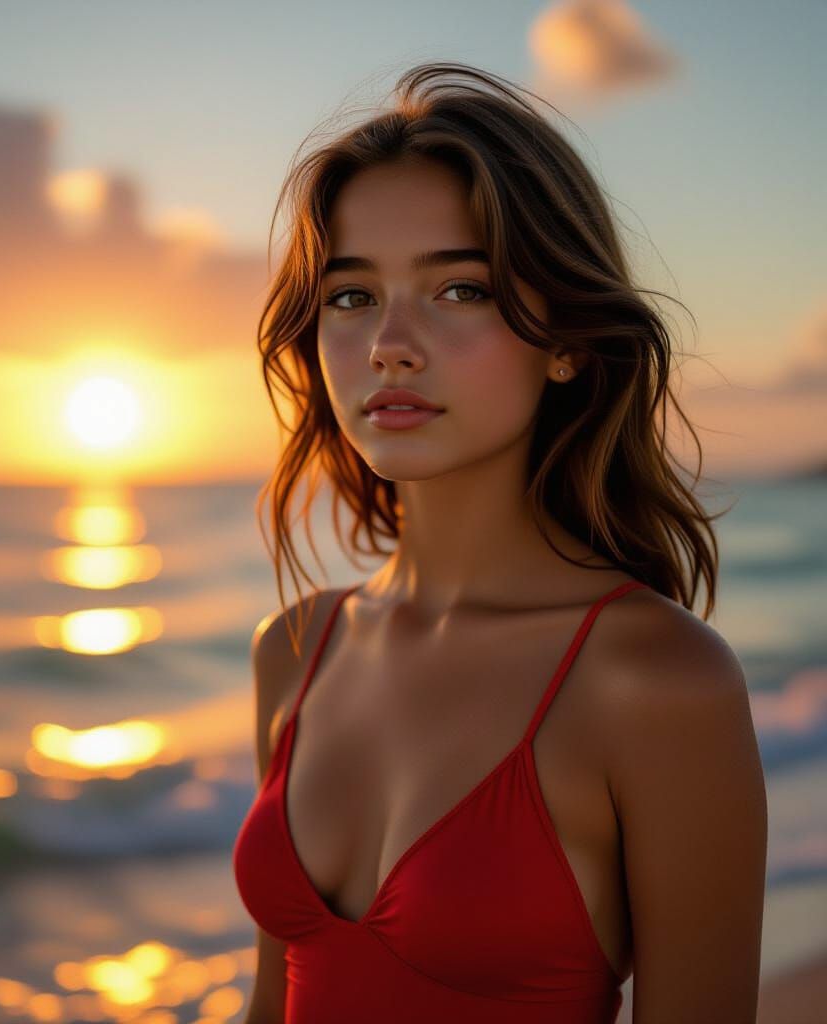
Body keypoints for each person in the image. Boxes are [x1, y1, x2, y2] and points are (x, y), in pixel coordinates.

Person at [232, 61, 767, 1023]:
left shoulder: (656, 680)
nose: (391, 341)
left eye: (461, 289)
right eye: (352, 296)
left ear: (564, 338)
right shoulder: (296, 650)